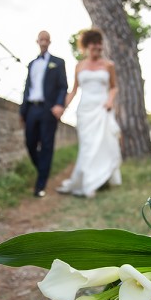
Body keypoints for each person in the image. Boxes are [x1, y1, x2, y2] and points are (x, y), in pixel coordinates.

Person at [56, 28, 122, 198]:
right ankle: (87, 180)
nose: (97, 47)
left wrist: (109, 100)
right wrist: (63, 107)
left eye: (99, 44)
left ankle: (93, 182)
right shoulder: (79, 66)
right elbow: (74, 90)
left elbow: (114, 87)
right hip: (85, 110)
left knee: (101, 145)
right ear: (87, 46)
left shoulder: (109, 65)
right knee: (87, 147)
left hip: (102, 109)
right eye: (93, 44)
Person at [20, 30, 68, 197]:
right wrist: (23, 111)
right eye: (41, 38)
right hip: (32, 108)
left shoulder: (58, 62)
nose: (44, 41)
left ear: (50, 41)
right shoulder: (32, 64)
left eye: (46, 39)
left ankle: (40, 186)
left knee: (47, 146)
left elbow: (63, 86)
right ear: (37, 41)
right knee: (30, 143)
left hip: (49, 109)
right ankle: (43, 168)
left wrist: (60, 104)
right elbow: (27, 88)